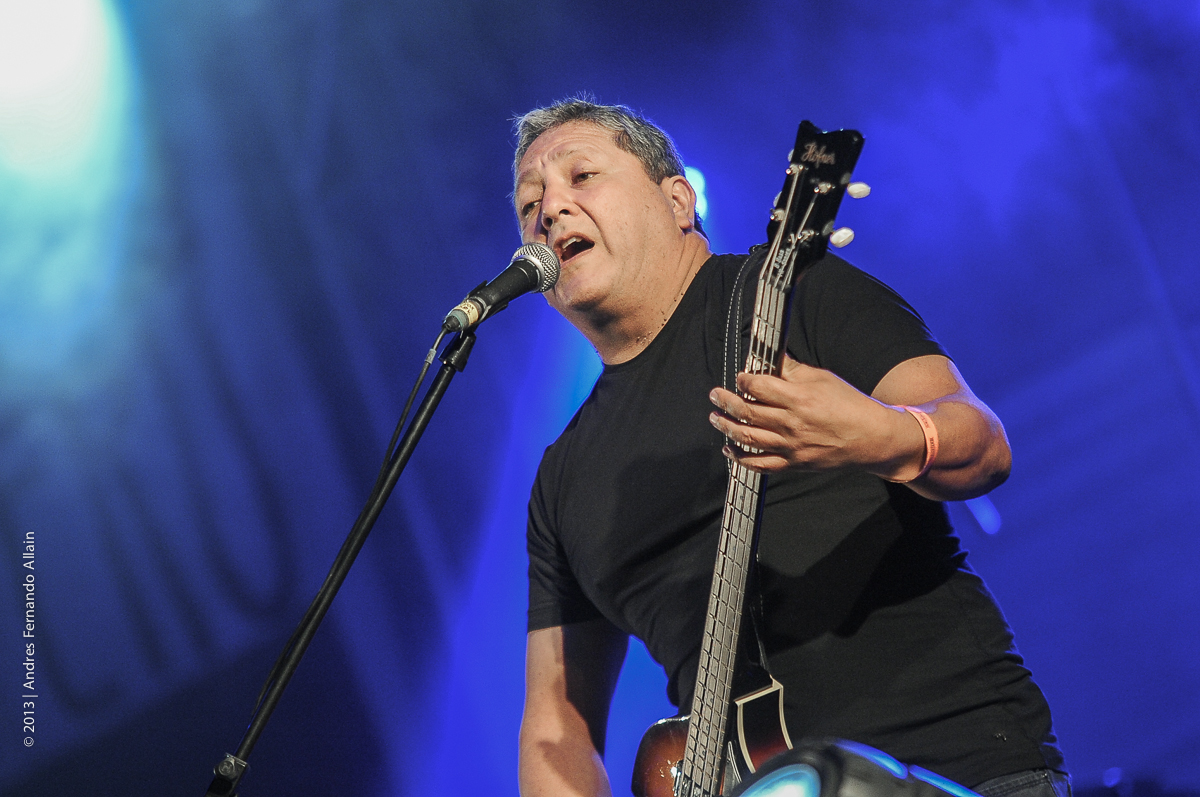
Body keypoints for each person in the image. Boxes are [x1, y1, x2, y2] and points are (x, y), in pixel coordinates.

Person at [512, 98, 1067, 797]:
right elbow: (557, 724)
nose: (550, 208)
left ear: (678, 200)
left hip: (952, 767)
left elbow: (983, 445)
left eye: (582, 175)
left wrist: (879, 434)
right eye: (529, 201)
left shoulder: (793, 296)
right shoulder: (563, 478)